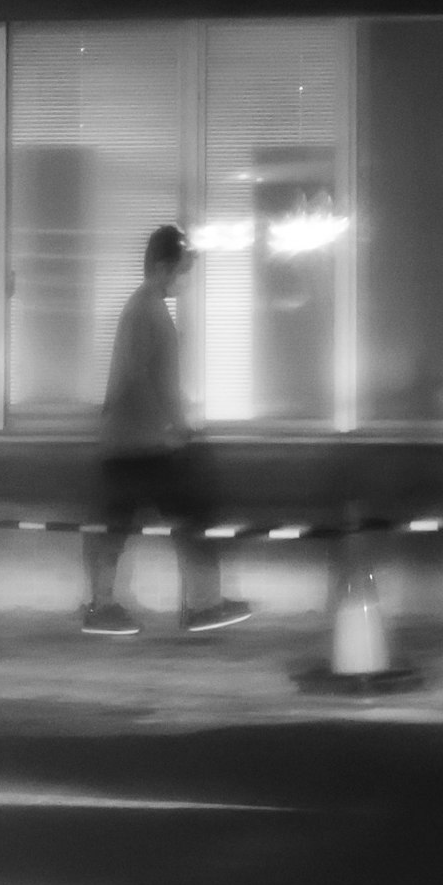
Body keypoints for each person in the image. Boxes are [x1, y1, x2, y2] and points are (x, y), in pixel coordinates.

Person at [83, 224, 250, 636]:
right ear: (161, 266)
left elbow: (135, 379)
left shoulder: (144, 309)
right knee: (193, 516)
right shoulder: (146, 312)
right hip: (145, 444)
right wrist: (176, 427)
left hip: (129, 442)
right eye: (182, 269)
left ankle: (103, 607)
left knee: (117, 525)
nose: (185, 279)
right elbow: (141, 379)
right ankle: (202, 606)